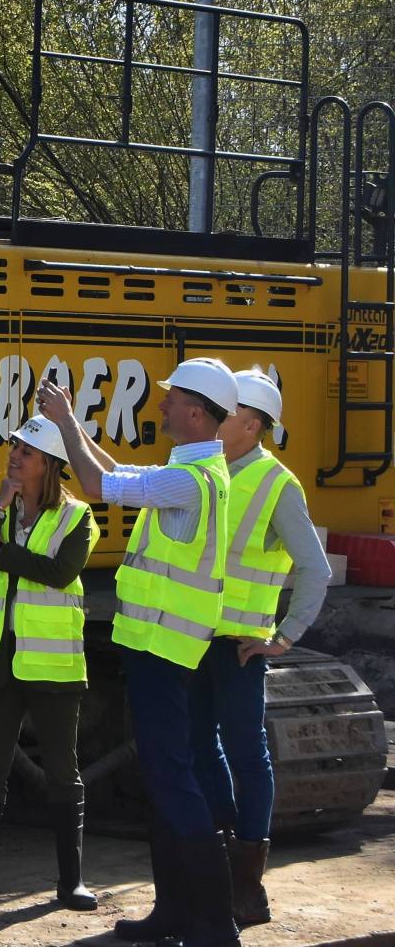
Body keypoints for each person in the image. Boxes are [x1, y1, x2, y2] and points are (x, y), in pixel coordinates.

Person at [39, 357, 241, 947]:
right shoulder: (194, 472)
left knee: (173, 779)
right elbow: (119, 472)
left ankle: (213, 923)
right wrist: (73, 429)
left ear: (197, 413)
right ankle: (176, 914)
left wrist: (68, 423)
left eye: (172, 398)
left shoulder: (188, 480)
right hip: (158, 645)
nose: (162, 404)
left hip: (162, 647)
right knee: (164, 776)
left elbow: (101, 487)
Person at [193, 369, 330, 926]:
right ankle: (220, 863)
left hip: (240, 649)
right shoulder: (205, 469)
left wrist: (285, 636)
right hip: (193, 639)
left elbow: (315, 569)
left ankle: (246, 882)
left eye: (223, 414)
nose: (213, 420)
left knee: (248, 756)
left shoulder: (278, 484)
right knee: (201, 750)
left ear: (251, 425)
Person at [0, 414, 99, 909]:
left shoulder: (78, 517)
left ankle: (70, 880)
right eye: (14, 447)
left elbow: (60, 572)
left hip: (52, 666)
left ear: (50, 465)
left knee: (62, 770)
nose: (14, 455)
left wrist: (7, 555)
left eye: (26, 452)